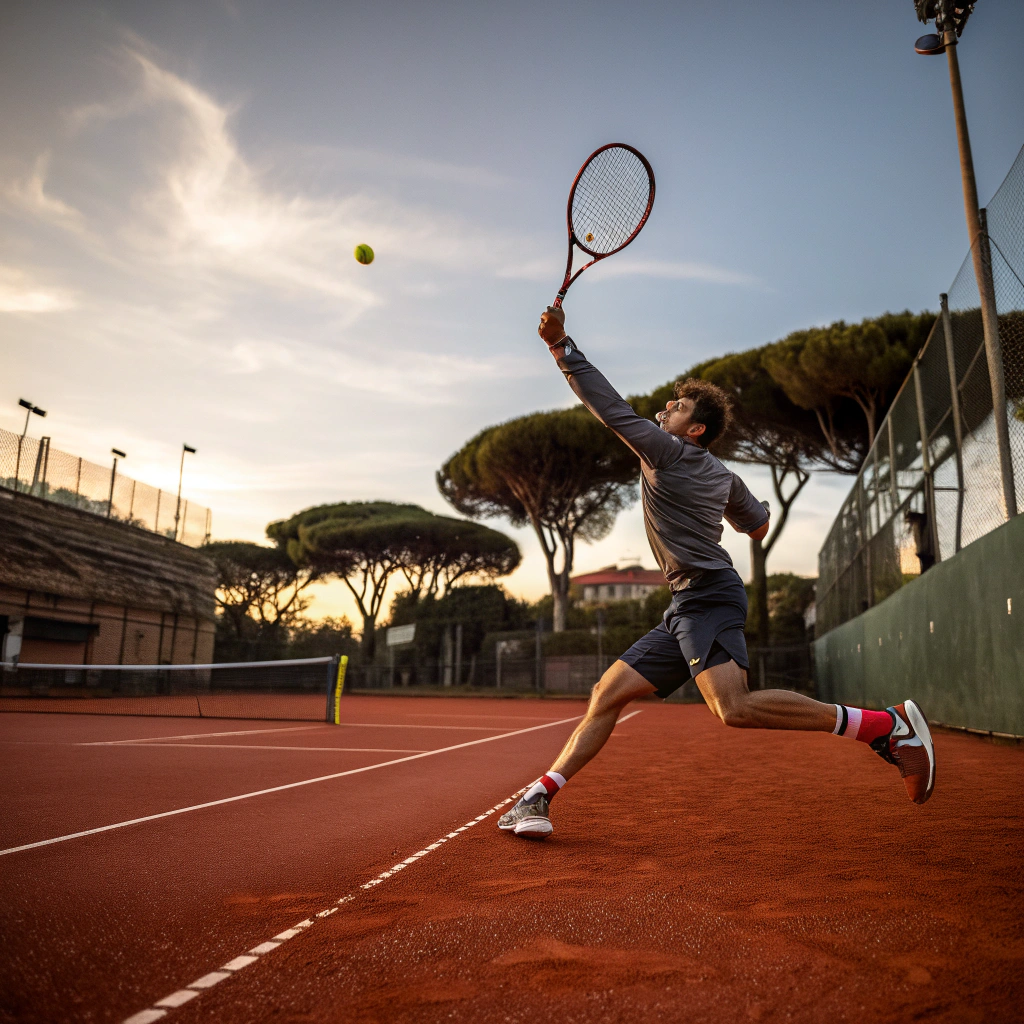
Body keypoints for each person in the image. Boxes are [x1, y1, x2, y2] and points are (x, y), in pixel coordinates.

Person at [498, 307, 936, 839]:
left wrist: (560, 345)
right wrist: (739, 513)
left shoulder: (667, 452)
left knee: (734, 708)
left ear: (695, 429)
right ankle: (538, 797)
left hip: (706, 596)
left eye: (677, 406)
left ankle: (886, 727)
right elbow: (757, 526)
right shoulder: (722, 474)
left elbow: (610, 409)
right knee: (606, 694)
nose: (665, 408)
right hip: (689, 602)